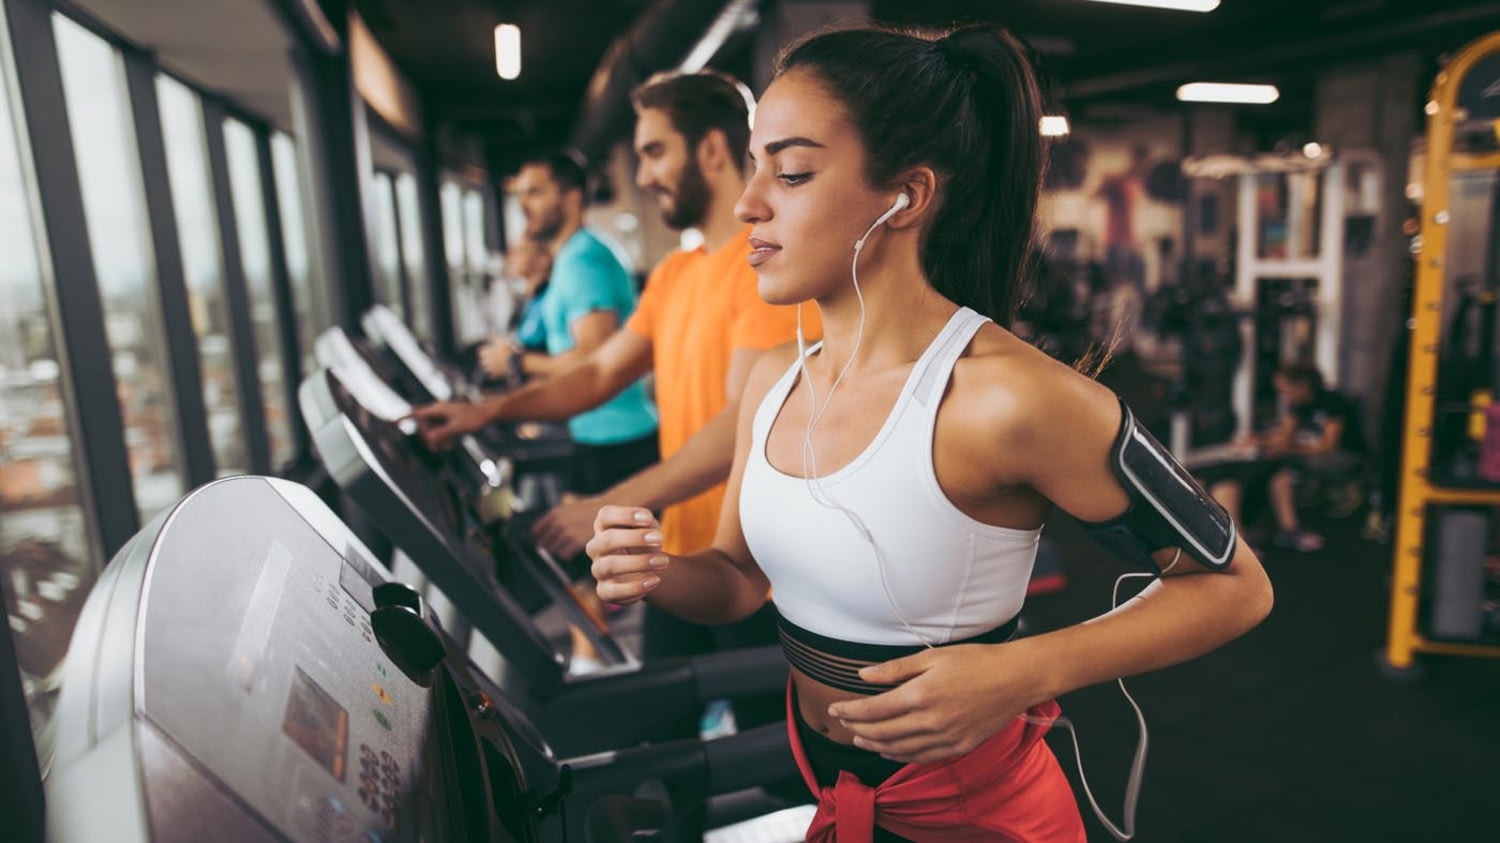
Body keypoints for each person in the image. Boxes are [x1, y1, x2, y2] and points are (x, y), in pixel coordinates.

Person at [587, 24, 1273, 841]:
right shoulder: (777, 377)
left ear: (905, 197)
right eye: (756, 162)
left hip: (979, 815)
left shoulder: (1007, 397)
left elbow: (1236, 585)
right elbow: (737, 579)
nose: (747, 203)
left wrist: (1020, 671)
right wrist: (657, 569)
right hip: (835, 791)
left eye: (793, 171)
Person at [410, 70, 818, 735]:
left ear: (712, 149)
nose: (646, 174)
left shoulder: (763, 267)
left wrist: (611, 500)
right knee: (662, 749)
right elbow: (598, 371)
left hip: (754, 570)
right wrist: (486, 412)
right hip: (680, 557)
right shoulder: (675, 274)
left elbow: (743, 426)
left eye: (656, 151)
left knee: (781, 772)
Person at [1208, 361, 1365, 552]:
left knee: (1282, 464)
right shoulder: (1297, 405)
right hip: (1310, 453)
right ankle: (1279, 529)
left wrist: (1285, 450)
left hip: (1343, 456)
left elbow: (1328, 446)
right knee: (1273, 469)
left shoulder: (1332, 401)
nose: (1284, 396)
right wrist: (1258, 440)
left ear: (1303, 386)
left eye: (1287, 390)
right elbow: (1284, 435)